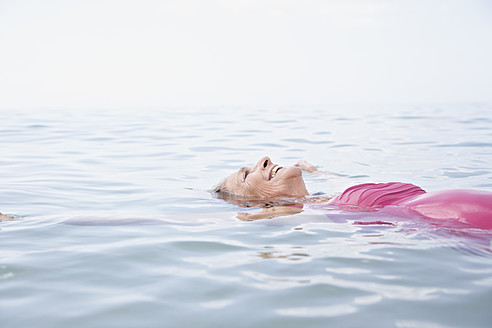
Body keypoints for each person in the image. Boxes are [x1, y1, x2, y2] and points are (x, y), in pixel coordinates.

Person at [213, 156, 492, 229]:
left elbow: (339, 187)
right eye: (246, 174)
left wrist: (315, 171)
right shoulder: (302, 214)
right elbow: (196, 221)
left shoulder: (327, 201)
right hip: (466, 221)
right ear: (254, 204)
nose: (264, 159)